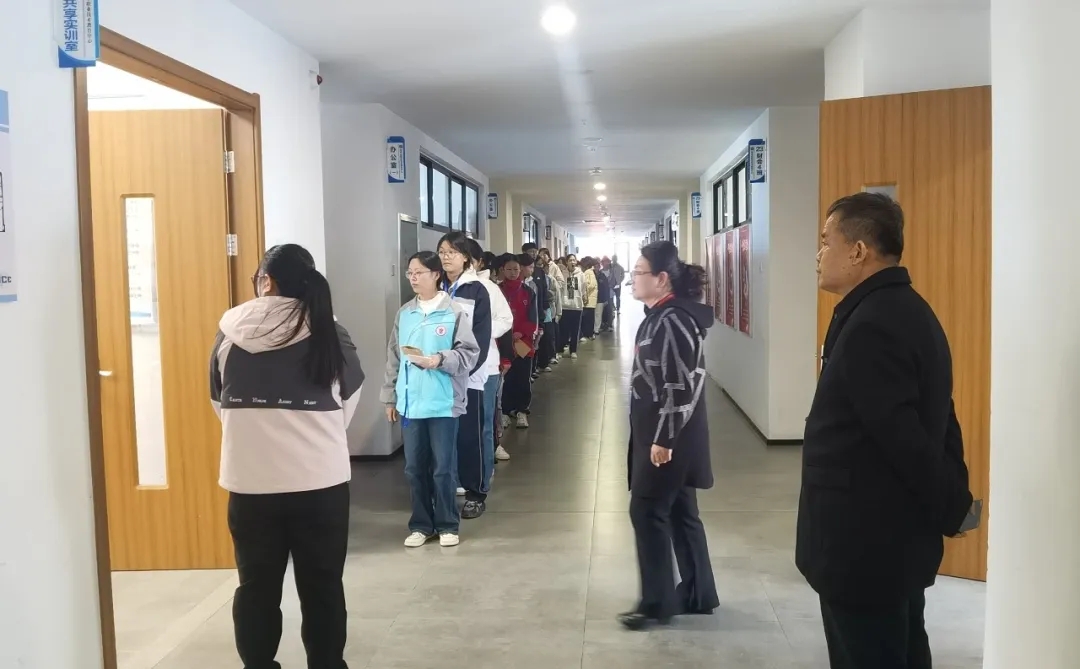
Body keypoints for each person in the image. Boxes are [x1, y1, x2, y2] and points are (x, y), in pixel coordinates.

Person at [799, 193, 974, 669]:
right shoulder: (903, 310)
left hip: (865, 549)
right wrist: (953, 499)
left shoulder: (874, 324)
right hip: (890, 545)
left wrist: (953, 506)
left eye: (826, 241)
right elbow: (942, 418)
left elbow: (906, 440)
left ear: (858, 251)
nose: (818, 254)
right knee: (903, 648)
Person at [210, 243, 365, 669]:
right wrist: (310, 435)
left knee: (255, 587)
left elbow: (220, 403)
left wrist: (260, 436)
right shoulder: (330, 331)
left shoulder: (229, 333)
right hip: (319, 484)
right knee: (322, 586)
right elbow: (347, 404)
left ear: (266, 281)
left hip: (250, 483)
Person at [621, 240, 719, 632]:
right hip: (669, 433)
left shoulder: (673, 319)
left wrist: (664, 439)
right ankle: (698, 593)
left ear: (662, 279)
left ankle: (657, 602)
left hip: (668, 436)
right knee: (680, 512)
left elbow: (681, 385)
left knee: (646, 511)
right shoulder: (662, 315)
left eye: (639, 272)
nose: (632, 279)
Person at [381, 251, 480, 549]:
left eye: (419, 272)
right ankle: (421, 525)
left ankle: (447, 523)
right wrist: (390, 398)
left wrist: (439, 359)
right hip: (411, 404)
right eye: (410, 273)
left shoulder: (453, 311)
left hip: (442, 402)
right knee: (414, 468)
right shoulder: (405, 313)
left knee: (443, 467)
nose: (413, 278)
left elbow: (469, 353)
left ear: (436, 275)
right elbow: (394, 358)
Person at [437, 232, 492, 519]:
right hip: (437, 375)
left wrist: (463, 369)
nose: (446, 257)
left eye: (452, 252)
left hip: (468, 377)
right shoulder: (435, 288)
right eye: (442, 252)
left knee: (470, 437)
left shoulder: (476, 290)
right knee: (442, 438)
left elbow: (480, 337)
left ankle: (475, 493)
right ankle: (445, 490)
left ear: (466, 258)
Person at [467, 240, 514, 470]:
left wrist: (480, 331)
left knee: (483, 422)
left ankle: (482, 475)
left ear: (478, 262)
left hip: (485, 366)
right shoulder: (445, 289)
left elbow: (506, 319)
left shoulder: (488, 288)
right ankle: (459, 475)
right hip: (451, 368)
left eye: (466, 258)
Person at [499, 254, 538, 429]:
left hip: (523, 342)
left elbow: (533, 317)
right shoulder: (497, 291)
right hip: (503, 341)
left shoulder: (528, 292)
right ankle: (506, 411)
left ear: (520, 270)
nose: (513, 272)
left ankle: (522, 411)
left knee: (523, 377)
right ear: (503, 270)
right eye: (509, 269)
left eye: (516, 269)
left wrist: (521, 332)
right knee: (507, 378)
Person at [559, 254, 585, 358]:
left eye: (574, 260)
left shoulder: (580, 274)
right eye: (570, 260)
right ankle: (560, 349)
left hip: (577, 306)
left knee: (575, 330)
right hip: (565, 306)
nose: (572, 262)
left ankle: (573, 350)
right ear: (566, 262)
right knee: (564, 329)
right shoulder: (563, 273)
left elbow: (583, 288)